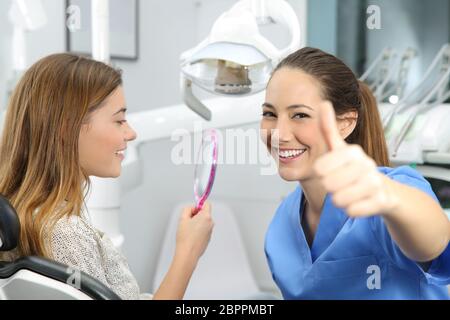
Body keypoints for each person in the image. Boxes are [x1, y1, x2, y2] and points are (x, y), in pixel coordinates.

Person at [0, 53, 214, 300]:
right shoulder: (66, 235)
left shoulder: (19, 215)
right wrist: (188, 252)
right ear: (67, 129)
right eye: (119, 120)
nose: (131, 133)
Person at [261, 47, 450, 299]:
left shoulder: (384, 194)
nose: (280, 134)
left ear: (346, 123)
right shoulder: (281, 226)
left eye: (300, 115)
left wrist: (389, 197)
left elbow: (440, 253)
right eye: (270, 114)